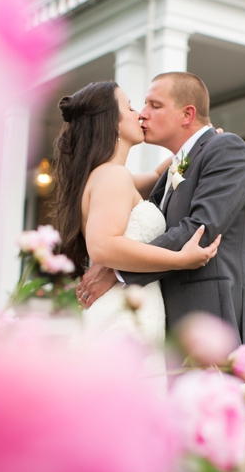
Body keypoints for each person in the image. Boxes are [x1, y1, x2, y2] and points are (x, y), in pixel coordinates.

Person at [77, 72, 245, 357]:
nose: (143, 114)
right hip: (166, 324)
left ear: (187, 114)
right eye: (140, 105)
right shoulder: (171, 171)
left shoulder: (228, 150)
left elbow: (199, 232)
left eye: (155, 105)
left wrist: (117, 271)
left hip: (212, 317)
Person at [49, 80, 219, 346]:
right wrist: (179, 259)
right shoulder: (112, 176)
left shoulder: (111, 176)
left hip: (130, 307)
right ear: (112, 122)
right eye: (129, 107)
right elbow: (103, 247)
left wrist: (201, 145)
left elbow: (155, 175)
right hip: (122, 317)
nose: (139, 113)